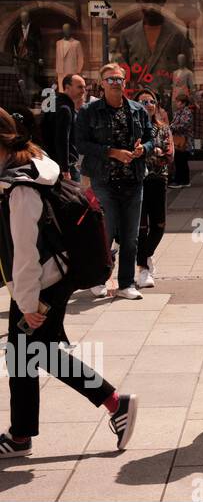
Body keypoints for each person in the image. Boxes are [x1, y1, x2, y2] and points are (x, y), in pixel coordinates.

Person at [0, 110, 138, 457]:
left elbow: (24, 254)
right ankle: (21, 434)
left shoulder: (21, 189)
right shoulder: (35, 160)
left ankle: (114, 402)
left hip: (41, 282)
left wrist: (28, 304)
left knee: (30, 353)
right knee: (29, 354)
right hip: (53, 276)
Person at [74, 62, 153, 300]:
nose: (116, 83)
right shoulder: (89, 111)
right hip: (104, 180)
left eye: (119, 79)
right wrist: (112, 152)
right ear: (102, 84)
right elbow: (81, 144)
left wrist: (143, 150)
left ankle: (126, 283)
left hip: (133, 180)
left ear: (125, 82)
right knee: (105, 233)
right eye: (111, 80)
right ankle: (98, 278)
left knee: (130, 237)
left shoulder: (137, 110)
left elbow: (151, 139)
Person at [133, 89, 172, 289]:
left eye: (151, 101)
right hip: (138, 180)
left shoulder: (163, 128)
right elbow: (132, 153)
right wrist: (154, 151)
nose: (148, 104)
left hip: (158, 179)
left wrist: (150, 152)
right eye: (143, 101)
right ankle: (143, 268)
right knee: (141, 227)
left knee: (159, 225)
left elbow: (169, 155)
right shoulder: (132, 127)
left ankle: (145, 256)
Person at [45, 73, 85, 183]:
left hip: (51, 162)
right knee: (74, 198)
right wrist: (65, 169)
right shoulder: (65, 109)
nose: (83, 91)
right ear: (67, 87)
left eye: (84, 87)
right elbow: (62, 140)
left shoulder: (55, 103)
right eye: (80, 87)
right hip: (64, 166)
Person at [170, 87, 196, 188]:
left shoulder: (187, 112)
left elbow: (184, 125)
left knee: (182, 161)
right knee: (179, 160)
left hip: (184, 141)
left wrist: (171, 127)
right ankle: (183, 180)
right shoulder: (178, 112)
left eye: (178, 102)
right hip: (178, 140)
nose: (176, 104)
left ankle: (181, 181)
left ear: (183, 103)